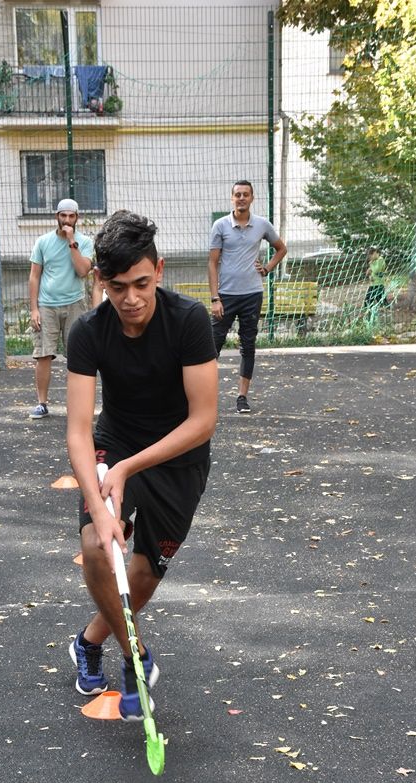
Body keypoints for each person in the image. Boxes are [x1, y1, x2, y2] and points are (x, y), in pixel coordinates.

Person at [66, 210, 218, 720]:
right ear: (100, 281)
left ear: (160, 270)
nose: (130, 298)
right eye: (117, 288)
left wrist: (129, 467)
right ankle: (137, 658)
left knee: (147, 571)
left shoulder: (189, 320)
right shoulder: (89, 332)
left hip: (179, 455)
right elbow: (79, 431)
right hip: (116, 442)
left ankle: (89, 641)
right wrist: (99, 503)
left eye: (141, 284)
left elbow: (203, 420)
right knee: (96, 544)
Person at [208, 180, 287, 414]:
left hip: (252, 294)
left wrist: (268, 268)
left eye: (245, 194)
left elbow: (281, 249)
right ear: (232, 198)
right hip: (226, 295)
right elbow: (212, 263)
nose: (241, 198)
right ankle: (205, 396)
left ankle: (242, 397)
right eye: (238, 194)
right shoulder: (220, 226)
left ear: (252, 198)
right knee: (212, 346)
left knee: (248, 346)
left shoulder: (262, 224)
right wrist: (215, 298)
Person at [28, 198, 94, 418]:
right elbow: (34, 276)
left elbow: (82, 271)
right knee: (43, 354)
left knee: (77, 355)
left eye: (71, 216)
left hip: (75, 304)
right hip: (47, 305)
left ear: (77, 218)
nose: (67, 220)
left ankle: (76, 404)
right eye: (63, 215)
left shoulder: (84, 242)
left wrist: (72, 241)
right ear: (56, 216)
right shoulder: (43, 242)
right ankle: (42, 403)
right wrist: (34, 309)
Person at [363, 247, 387, 311]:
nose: (370, 258)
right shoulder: (374, 261)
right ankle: (369, 309)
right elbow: (371, 272)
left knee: (379, 297)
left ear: (375, 253)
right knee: (369, 298)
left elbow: (376, 270)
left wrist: (371, 264)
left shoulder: (380, 260)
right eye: (369, 257)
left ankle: (384, 307)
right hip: (373, 283)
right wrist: (369, 276)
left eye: (370, 256)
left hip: (378, 283)